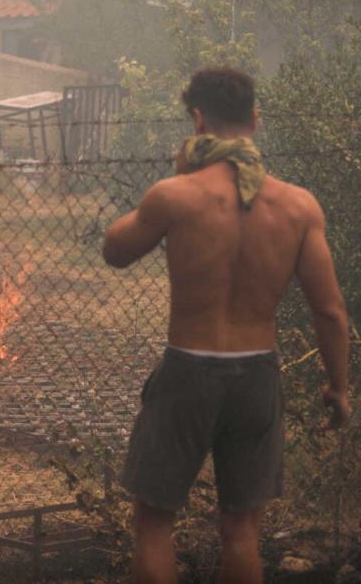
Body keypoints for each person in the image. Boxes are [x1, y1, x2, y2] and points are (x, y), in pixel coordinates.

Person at [102, 66, 351, 584]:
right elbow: (329, 311)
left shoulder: (175, 196)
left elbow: (115, 250)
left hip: (188, 371)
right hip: (257, 376)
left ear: (196, 120)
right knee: (241, 532)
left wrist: (170, 182)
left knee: (153, 526)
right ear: (255, 120)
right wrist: (338, 386)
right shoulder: (299, 206)